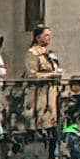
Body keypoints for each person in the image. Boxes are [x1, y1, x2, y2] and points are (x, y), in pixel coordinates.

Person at [21, 23, 63, 152]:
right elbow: (32, 74)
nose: (49, 38)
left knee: (54, 126)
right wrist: (52, 75)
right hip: (38, 96)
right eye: (46, 35)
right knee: (42, 125)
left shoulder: (48, 54)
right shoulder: (33, 53)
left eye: (49, 35)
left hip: (51, 94)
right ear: (38, 38)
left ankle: (53, 154)